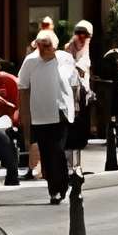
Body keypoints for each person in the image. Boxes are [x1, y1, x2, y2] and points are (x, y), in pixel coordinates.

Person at [18, 29, 85, 203]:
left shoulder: (65, 59)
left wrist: (76, 106)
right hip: (39, 114)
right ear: (37, 45)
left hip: (61, 112)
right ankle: (53, 190)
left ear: (54, 46)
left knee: (57, 150)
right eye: (42, 45)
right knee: (47, 154)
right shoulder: (30, 61)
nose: (45, 49)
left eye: (48, 46)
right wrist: (24, 114)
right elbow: (23, 87)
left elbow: (74, 83)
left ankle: (61, 186)